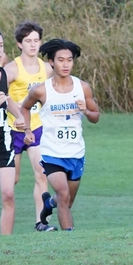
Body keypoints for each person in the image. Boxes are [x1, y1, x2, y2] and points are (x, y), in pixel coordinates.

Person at [20, 39, 100, 231]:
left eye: (69, 60)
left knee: (67, 201)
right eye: (61, 60)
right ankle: (69, 239)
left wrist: (86, 112)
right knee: (63, 195)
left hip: (75, 153)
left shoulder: (83, 88)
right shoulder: (41, 90)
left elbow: (96, 116)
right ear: (51, 62)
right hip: (51, 153)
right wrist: (28, 130)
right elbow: (24, 107)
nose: (66, 64)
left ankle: (49, 204)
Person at [3, 21, 53, 230]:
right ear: (19, 44)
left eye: (36, 41)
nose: (33, 45)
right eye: (28, 41)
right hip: (13, 129)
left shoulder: (47, 69)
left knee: (41, 173)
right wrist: (16, 111)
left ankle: (41, 222)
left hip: (37, 127)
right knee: (11, 181)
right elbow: (1, 95)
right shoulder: (12, 69)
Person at [0, 27, 27, 234]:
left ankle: (6, 247)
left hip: (1, 141)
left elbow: (6, 98)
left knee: (8, 193)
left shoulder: (3, 73)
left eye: (0, 46)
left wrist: (20, 116)